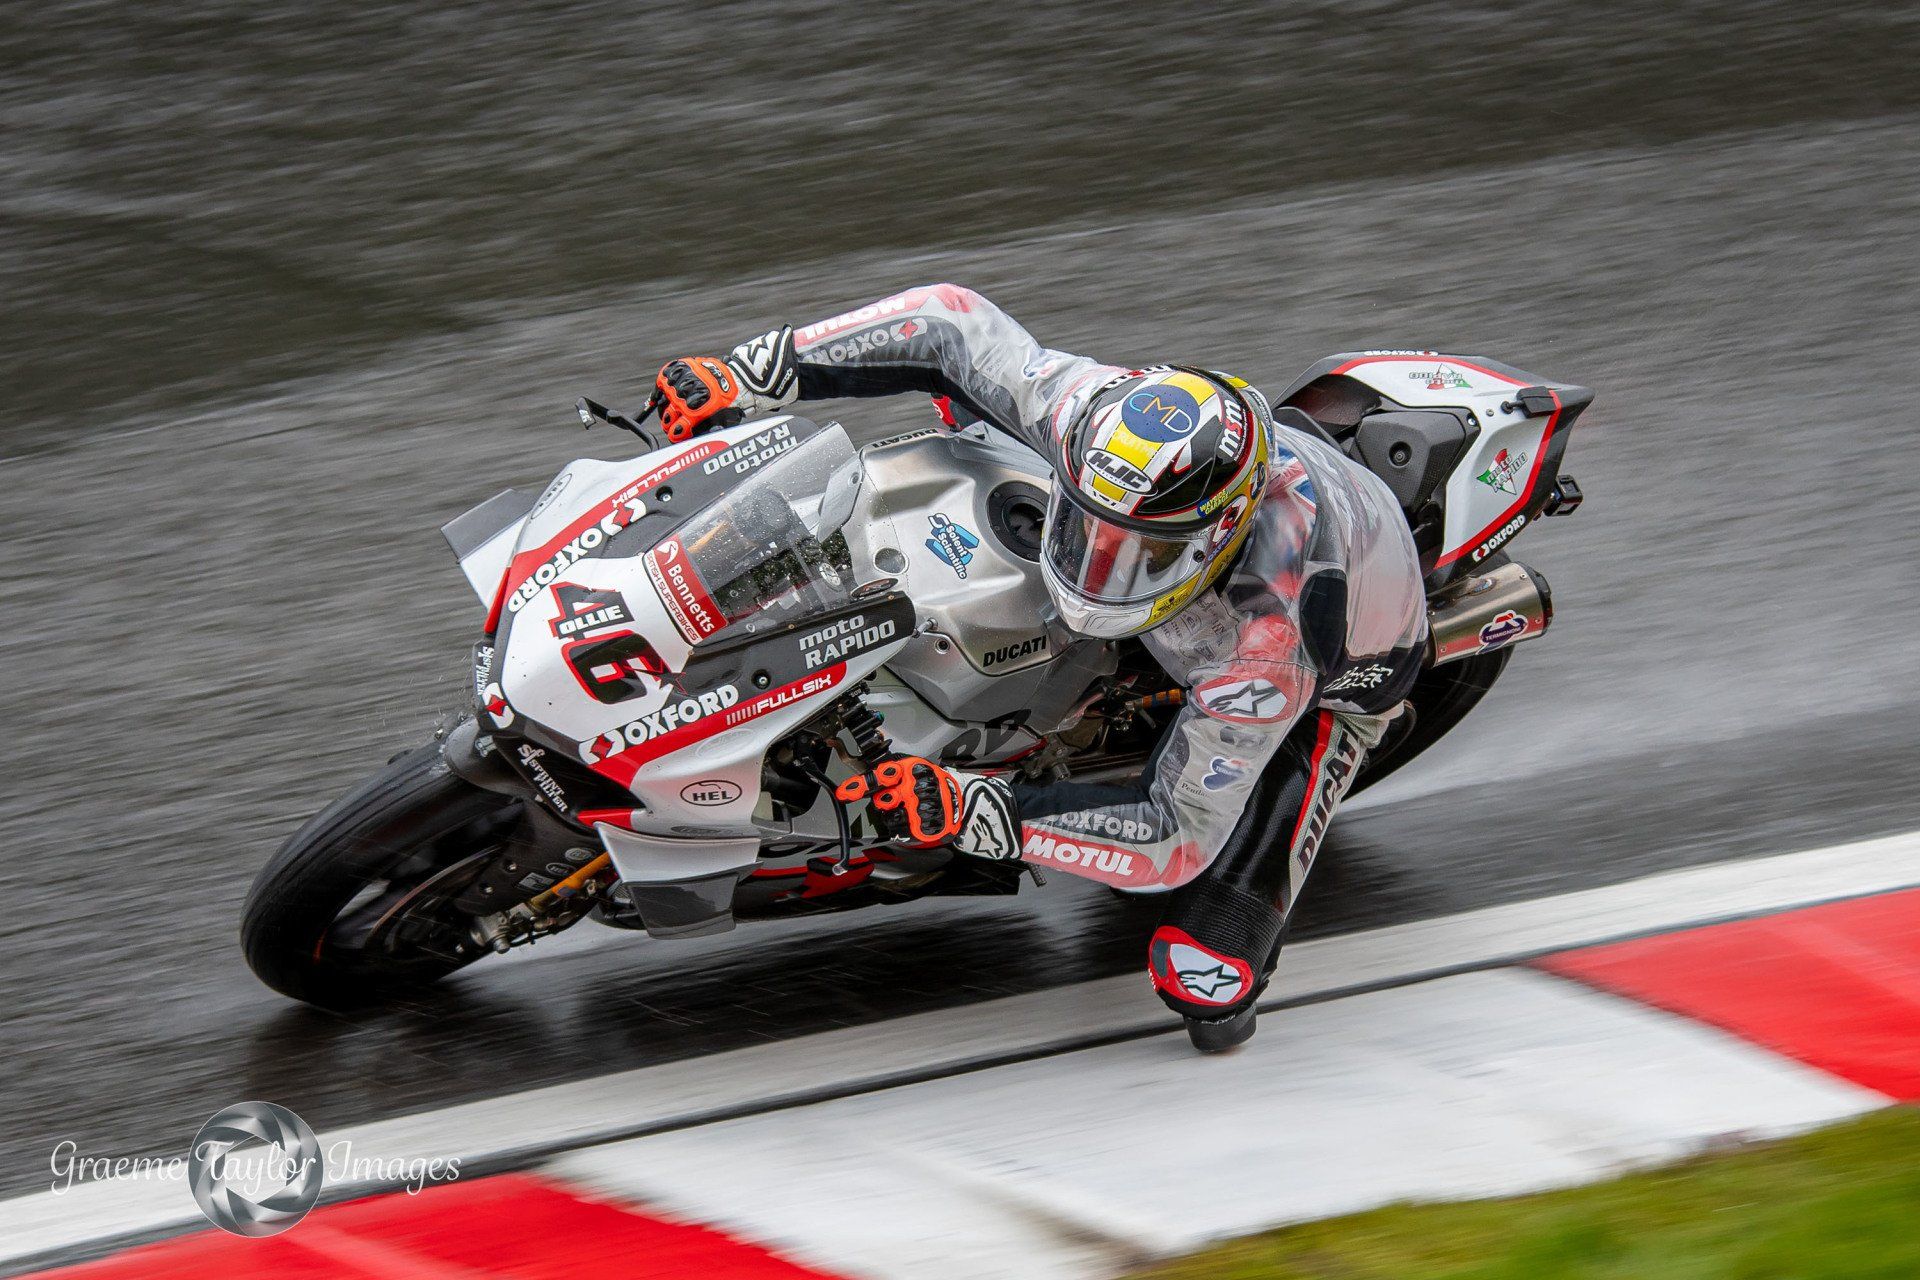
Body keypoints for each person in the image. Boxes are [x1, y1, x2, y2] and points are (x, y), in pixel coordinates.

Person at [649, 284, 1426, 1050]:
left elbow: (1173, 839)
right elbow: (950, 322)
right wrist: (759, 369)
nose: (1100, 562)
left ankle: (1277, 864)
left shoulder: (1268, 646)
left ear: (1214, 534)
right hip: (1182, 569)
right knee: (964, 410)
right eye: (1092, 527)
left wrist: (977, 812)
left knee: (1206, 975)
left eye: (1138, 553)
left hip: (1354, 661)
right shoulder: (1093, 414)